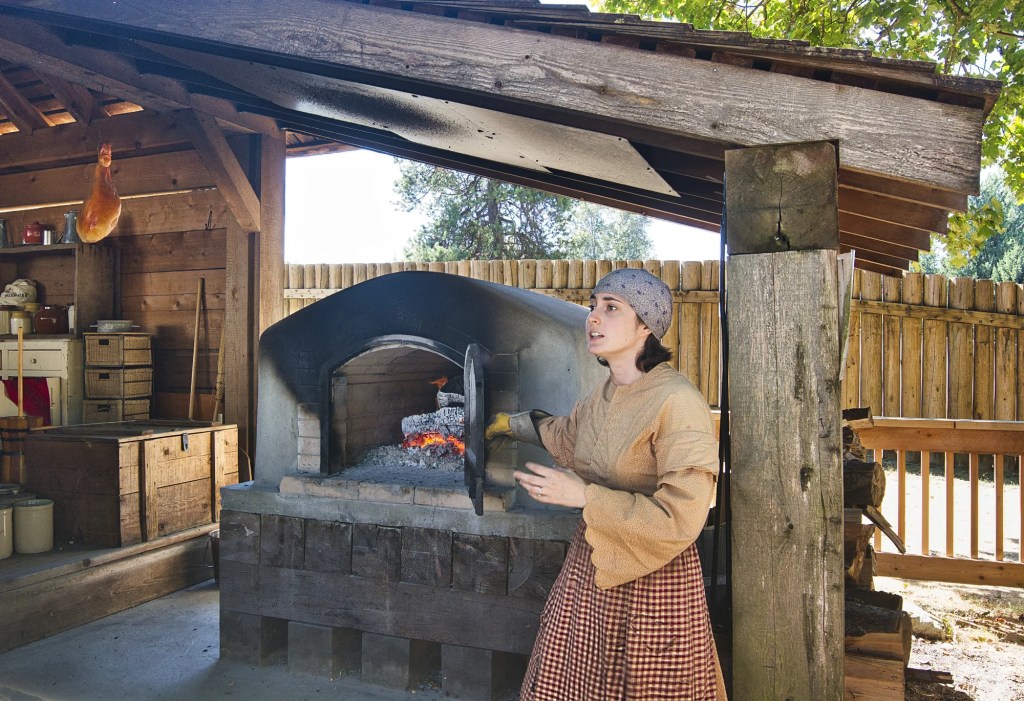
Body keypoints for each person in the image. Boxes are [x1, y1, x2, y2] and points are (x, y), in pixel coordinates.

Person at [486, 268, 726, 700]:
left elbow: (682, 518)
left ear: (646, 326)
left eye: (611, 308)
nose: (593, 317)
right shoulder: (604, 393)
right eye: (593, 306)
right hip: (591, 566)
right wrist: (511, 424)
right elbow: (568, 435)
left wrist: (584, 496)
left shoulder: (677, 401)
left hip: (653, 580)